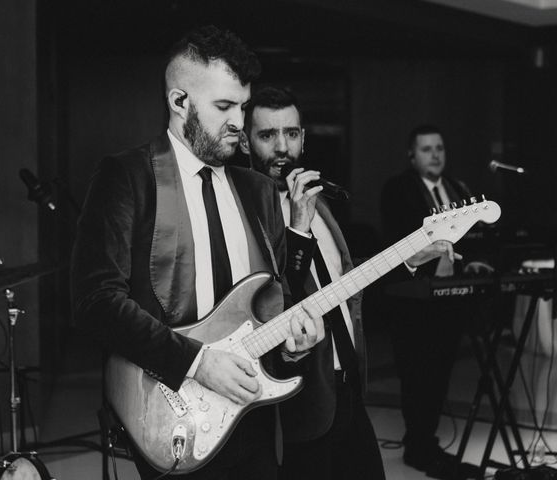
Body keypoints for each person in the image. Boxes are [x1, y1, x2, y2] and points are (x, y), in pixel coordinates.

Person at [71, 27, 324, 480]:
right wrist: (198, 362)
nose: (237, 122)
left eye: (242, 107)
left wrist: (291, 346)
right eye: (223, 107)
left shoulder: (260, 190)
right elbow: (96, 302)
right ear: (179, 101)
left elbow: (274, 301)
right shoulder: (127, 177)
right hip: (172, 409)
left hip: (254, 417)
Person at [241, 88, 455, 480]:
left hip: (347, 380)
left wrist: (410, 258)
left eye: (291, 133)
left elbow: (343, 279)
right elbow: (273, 299)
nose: (282, 147)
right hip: (300, 394)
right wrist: (298, 230)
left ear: (304, 138)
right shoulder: (245, 208)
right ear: (245, 141)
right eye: (267, 135)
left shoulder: (315, 199)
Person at [381, 124, 482, 480]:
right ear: (412, 155)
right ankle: (418, 446)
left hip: (449, 300)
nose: (435, 154)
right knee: (417, 376)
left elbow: (472, 239)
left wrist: (469, 262)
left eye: (439, 147)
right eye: (426, 149)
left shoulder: (457, 189)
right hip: (413, 302)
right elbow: (396, 240)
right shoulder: (398, 190)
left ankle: (428, 442)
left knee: (440, 375)